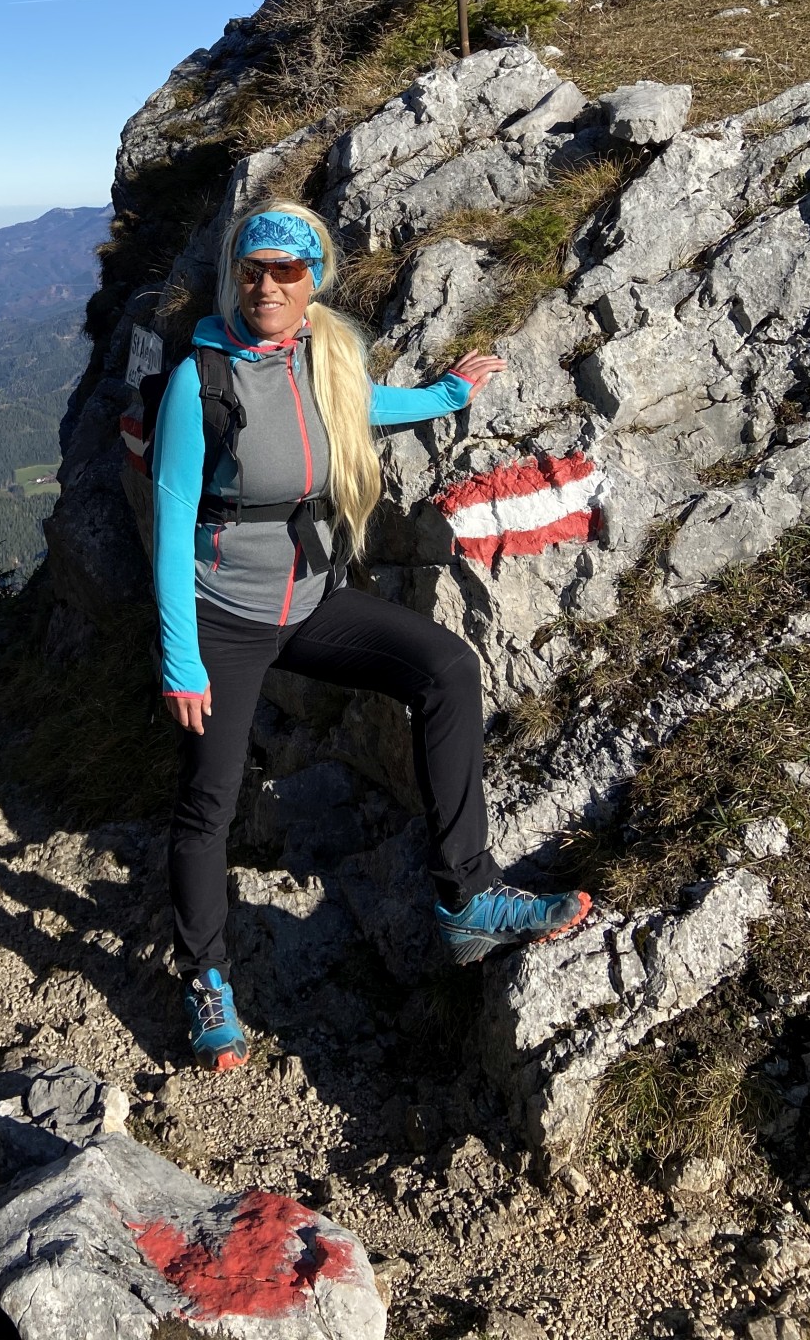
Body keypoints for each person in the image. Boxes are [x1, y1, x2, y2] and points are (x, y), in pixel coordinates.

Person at [150, 199, 591, 1071]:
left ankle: (466, 898)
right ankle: (206, 979)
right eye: (253, 269)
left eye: (286, 271)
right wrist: (181, 660)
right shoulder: (199, 377)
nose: (267, 285)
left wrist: (448, 394)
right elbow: (168, 526)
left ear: (314, 281)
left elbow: (363, 409)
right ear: (235, 274)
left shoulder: (327, 359)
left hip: (312, 603)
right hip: (223, 620)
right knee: (209, 800)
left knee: (445, 668)